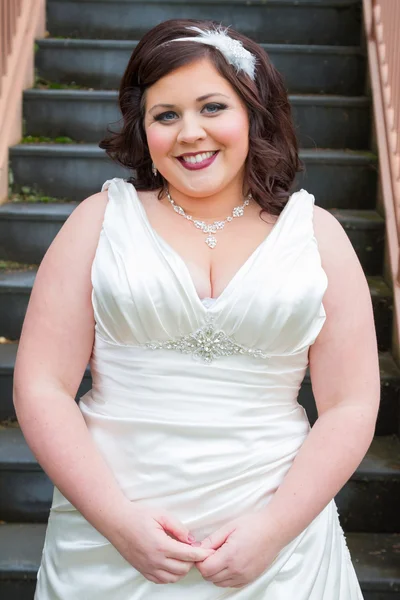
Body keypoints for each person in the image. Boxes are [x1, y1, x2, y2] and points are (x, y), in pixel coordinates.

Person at [13, 18, 380, 599]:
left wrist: (274, 531)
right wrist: (117, 520)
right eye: (166, 115)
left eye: (212, 107)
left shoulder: (317, 235)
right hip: (112, 540)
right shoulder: (98, 222)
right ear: (145, 128)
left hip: (278, 550)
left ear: (254, 113)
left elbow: (352, 404)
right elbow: (40, 386)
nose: (190, 133)